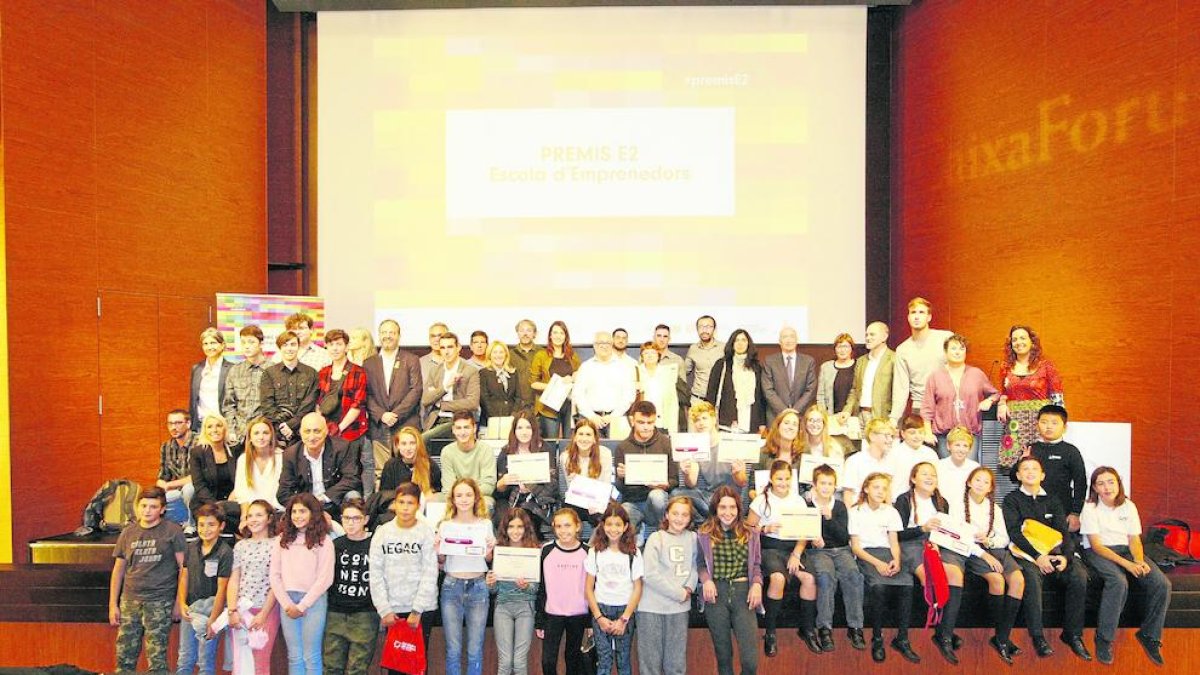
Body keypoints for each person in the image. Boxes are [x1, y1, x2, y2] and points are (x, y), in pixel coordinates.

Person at [1003, 456, 1091, 661]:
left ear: (1042, 475)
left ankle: (1073, 634)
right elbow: (1015, 533)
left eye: (1035, 469)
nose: (1030, 472)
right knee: (1031, 579)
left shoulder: (1053, 499)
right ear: (1018, 475)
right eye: (1025, 469)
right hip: (1027, 554)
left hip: (1056, 552)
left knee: (1079, 575)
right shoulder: (1011, 500)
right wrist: (1038, 557)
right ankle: (1038, 636)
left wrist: (1066, 558)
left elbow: (1064, 532)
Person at [1080, 467, 1170, 666]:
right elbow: (1096, 545)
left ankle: (1150, 635)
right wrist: (1127, 565)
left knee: (1162, 584)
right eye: (1101, 483)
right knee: (1118, 582)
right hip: (1099, 551)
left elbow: (1134, 539)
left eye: (1111, 482)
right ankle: (1104, 639)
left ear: (1118, 484)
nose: (1107, 487)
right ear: (1094, 487)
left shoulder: (1128, 506)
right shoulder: (1089, 508)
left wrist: (1138, 560)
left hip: (1127, 550)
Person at [945, 467, 1024, 665]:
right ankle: (1001, 637)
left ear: (990, 488)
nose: (981, 484)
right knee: (997, 580)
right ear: (969, 482)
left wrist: (988, 539)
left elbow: (1003, 538)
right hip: (970, 551)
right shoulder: (957, 505)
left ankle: (1002, 637)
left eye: (986, 482)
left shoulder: (994, 508)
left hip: (993, 548)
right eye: (977, 480)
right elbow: (958, 537)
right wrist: (984, 553)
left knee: (1018, 580)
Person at [109, 487, 187, 675]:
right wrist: (113, 604)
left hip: (160, 601)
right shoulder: (128, 532)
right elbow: (118, 570)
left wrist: (179, 602)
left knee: (157, 658)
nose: (147, 510)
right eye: (143, 505)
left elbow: (184, 569)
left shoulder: (173, 531)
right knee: (124, 656)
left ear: (162, 509)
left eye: (153, 506)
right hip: (129, 600)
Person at [746, 460, 820, 656]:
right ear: (771, 478)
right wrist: (763, 528)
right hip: (770, 547)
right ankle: (770, 632)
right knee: (778, 579)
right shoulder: (761, 500)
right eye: (779, 478)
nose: (783, 482)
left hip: (794, 547)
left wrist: (796, 553)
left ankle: (807, 629)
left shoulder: (798, 500)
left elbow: (805, 531)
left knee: (810, 579)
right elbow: (748, 527)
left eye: (787, 479)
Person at [369, 482, 439, 675]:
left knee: (417, 666)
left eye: (410, 503)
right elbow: (375, 573)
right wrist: (384, 609)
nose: (405, 507)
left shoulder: (425, 532)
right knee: (396, 666)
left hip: (421, 609)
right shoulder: (382, 532)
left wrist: (417, 610)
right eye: (401, 502)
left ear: (418, 505)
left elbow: (430, 572)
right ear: (395, 504)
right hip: (393, 610)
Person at [848, 473, 919, 664]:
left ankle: (902, 638)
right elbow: (855, 547)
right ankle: (877, 638)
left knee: (907, 584)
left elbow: (894, 542)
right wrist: (877, 564)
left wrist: (896, 560)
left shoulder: (891, 512)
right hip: (867, 555)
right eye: (876, 487)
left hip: (887, 554)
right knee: (879, 586)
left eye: (884, 488)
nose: (881, 491)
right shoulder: (856, 511)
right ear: (866, 489)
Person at [893, 462, 958, 664]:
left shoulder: (941, 502)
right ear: (913, 479)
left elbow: (945, 530)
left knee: (955, 574)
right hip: (911, 544)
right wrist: (923, 528)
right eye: (924, 474)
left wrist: (936, 540)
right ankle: (916, 633)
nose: (930, 478)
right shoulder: (903, 501)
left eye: (933, 475)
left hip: (935, 544)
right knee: (928, 575)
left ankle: (945, 631)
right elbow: (898, 534)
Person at [697, 485, 763, 675]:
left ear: (738, 509)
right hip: (716, 593)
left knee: (750, 659)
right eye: (723, 507)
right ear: (715, 509)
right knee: (723, 656)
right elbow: (700, 564)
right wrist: (706, 580)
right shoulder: (703, 533)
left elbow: (757, 564)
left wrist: (757, 584)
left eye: (732, 507)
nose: (728, 512)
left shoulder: (751, 533)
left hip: (744, 592)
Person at [436, 478, 496, 675]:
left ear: (476, 497)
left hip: (478, 586)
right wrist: (438, 550)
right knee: (453, 649)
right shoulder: (444, 525)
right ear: (452, 499)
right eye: (459, 495)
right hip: (451, 586)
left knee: (475, 649)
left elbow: (487, 559)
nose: (464, 499)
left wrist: (490, 549)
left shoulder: (485, 524)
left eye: (468, 494)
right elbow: (442, 561)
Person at [271, 492, 336, 674]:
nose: (297, 516)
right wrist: (287, 604)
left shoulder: (324, 541)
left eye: (302, 511)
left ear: (313, 513)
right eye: (294, 512)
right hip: (288, 602)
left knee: (311, 655)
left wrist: (303, 605)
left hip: (313, 603)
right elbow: (275, 576)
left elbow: (325, 578)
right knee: (294, 656)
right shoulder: (281, 540)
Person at [803, 464, 864, 653]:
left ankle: (855, 627)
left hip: (841, 549)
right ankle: (824, 628)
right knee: (825, 577)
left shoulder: (838, 507)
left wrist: (829, 518)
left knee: (854, 575)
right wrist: (811, 539)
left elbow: (843, 536)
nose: (826, 487)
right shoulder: (806, 505)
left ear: (835, 486)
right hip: (818, 552)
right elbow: (799, 530)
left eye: (830, 484)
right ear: (814, 484)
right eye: (822, 483)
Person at [637, 496, 697, 675]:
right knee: (650, 664)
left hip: (679, 609)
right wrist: (678, 593)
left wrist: (689, 588)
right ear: (666, 515)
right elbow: (649, 574)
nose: (679, 518)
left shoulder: (693, 538)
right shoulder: (656, 538)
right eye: (675, 513)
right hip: (651, 608)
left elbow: (695, 566)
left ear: (689, 518)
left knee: (676, 663)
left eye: (684, 515)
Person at [1008, 404, 1087, 533]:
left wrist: (1076, 513)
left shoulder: (1071, 451)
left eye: (1054, 423)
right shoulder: (1030, 448)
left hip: (1061, 511)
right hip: (1030, 510)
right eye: (1044, 422)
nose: (1049, 427)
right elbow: (1013, 477)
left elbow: (1081, 483)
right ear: (1037, 425)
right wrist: (1021, 461)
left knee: (1062, 549)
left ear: (1064, 427)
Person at [586, 502, 644, 675]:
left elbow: (638, 588)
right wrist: (598, 617)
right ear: (602, 525)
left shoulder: (633, 553)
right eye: (609, 524)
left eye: (618, 524)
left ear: (626, 526)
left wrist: (624, 619)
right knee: (603, 660)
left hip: (624, 611)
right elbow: (588, 588)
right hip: (601, 608)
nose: (613, 529)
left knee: (623, 659)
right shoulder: (595, 552)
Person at [920, 334, 999, 459]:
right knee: (946, 471)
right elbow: (927, 407)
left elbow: (996, 393)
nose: (958, 352)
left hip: (970, 434)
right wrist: (928, 432)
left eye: (962, 349)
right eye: (953, 348)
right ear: (945, 352)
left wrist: (989, 400)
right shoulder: (935, 377)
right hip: (944, 436)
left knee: (969, 472)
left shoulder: (976, 374)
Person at [175, 503, 232, 675]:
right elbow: (184, 576)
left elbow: (223, 588)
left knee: (205, 661)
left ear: (221, 526)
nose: (205, 529)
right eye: (201, 524)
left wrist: (213, 620)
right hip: (190, 610)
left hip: (211, 611)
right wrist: (182, 603)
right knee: (185, 658)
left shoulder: (225, 552)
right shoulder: (190, 547)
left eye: (211, 524)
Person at [322, 498, 377, 675]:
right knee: (331, 666)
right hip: (336, 612)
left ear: (366, 519)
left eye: (356, 518)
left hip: (365, 613)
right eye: (347, 518)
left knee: (358, 668)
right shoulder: (335, 545)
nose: (351, 523)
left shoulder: (374, 545)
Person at [226, 499, 281, 674]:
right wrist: (232, 610)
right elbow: (234, 579)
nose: (253, 519)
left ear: (269, 518)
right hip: (242, 610)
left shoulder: (277, 545)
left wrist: (264, 614)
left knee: (260, 662)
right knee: (241, 661)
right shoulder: (241, 546)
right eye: (250, 515)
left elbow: (276, 582)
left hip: (265, 610)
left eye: (259, 515)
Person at [535, 508, 591, 675]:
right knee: (548, 661)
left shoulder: (588, 552)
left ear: (577, 527)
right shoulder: (546, 550)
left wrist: (590, 622)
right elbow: (541, 587)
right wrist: (540, 620)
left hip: (579, 614)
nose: (563, 530)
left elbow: (592, 588)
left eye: (568, 525)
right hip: (553, 615)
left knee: (573, 658)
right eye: (559, 526)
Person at [997, 325, 1064, 463]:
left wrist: (1057, 424)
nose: (1018, 342)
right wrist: (1002, 404)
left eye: (1022, 338)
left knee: (1041, 463)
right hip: (1015, 423)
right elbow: (1004, 392)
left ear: (1032, 342)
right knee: (1017, 466)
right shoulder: (1005, 367)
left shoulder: (1046, 366)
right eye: (1014, 339)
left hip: (1039, 422)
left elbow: (1057, 397)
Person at [487, 507, 542, 675]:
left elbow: (536, 590)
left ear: (526, 528)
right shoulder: (499, 550)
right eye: (511, 526)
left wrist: (526, 586)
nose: (515, 531)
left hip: (525, 608)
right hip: (503, 607)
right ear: (505, 528)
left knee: (519, 662)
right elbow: (494, 591)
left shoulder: (534, 551)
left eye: (519, 526)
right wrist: (490, 583)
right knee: (505, 662)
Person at [277, 412, 363, 517]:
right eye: (307, 431)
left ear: (326, 431)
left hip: (336, 502)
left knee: (353, 496)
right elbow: (283, 493)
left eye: (317, 431)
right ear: (300, 433)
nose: (312, 437)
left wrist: (324, 498)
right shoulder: (291, 454)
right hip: (306, 508)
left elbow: (352, 478)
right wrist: (305, 506)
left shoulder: (343, 448)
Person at [674, 402, 748, 522]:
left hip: (731, 496)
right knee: (676, 494)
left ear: (714, 419)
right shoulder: (695, 446)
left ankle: (711, 520)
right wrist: (686, 472)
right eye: (697, 420)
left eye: (704, 418)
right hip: (709, 498)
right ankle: (707, 521)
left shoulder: (729, 441)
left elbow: (742, 481)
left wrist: (737, 472)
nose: (701, 423)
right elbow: (691, 483)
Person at [319, 329, 372, 496]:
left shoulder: (358, 371)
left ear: (346, 346)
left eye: (339, 344)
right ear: (326, 347)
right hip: (327, 431)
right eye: (331, 344)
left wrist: (340, 427)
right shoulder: (323, 372)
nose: (335, 348)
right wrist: (324, 427)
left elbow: (358, 404)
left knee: (354, 471)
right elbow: (318, 403)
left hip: (351, 430)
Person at [615, 401, 677, 539]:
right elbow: (620, 488)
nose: (646, 427)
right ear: (632, 421)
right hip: (633, 502)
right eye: (641, 422)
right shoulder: (623, 447)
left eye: (650, 423)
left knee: (657, 496)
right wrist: (620, 477)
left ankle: (663, 534)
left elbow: (674, 479)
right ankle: (636, 531)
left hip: (656, 500)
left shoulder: (666, 443)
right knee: (623, 512)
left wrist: (665, 484)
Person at [495, 409, 559, 538]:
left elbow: (553, 483)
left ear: (534, 429)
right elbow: (499, 491)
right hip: (511, 497)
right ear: (514, 430)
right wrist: (502, 483)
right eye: (520, 428)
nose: (524, 432)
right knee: (502, 516)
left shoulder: (545, 449)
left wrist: (531, 489)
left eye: (528, 427)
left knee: (527, 514)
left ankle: (532, 546)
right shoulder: (506, 451)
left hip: (539, 498)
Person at [890, 297, 954, 423]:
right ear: (908, 317)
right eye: (913, 312)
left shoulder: (945, 338)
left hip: (946, 404)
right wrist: (894, 419)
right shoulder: (902, 350)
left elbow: (958, 370)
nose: (917, 317)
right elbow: (901, 388)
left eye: (921, 312)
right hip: (919, 407)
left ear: (929, 317)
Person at [363, 319, 423, 443]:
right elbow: (366, 394)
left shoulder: (411, 359)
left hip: (406, 425)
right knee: (382, 463)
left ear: (399, 336)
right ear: (379, 336)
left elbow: (416, 390)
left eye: (392, 332)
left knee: (407, 462)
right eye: (384, 332)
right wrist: (382, 415)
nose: (387, 336)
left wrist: (396, 414)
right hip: (379, 426)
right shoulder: (369, 363)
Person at [574, 331, 637, 438]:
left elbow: (629, 395)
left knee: (617, 452)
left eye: (607, 343)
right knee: (592, 453)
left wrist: (613, 416)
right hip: (589, 419)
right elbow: (578, 395)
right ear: (594, 345)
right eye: (600, 343)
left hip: (617, 418)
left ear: (612, 345)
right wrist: (592, 416)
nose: (604, 346)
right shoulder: (586, 367)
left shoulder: (623, 367)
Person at [261, 330, 320, 446]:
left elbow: (309, 404)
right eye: (285, 345)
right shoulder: (269, 373)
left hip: (304, 431)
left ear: (299, 347)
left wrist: (291, 425)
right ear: (279, 348)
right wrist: (282, 427)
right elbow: (267, 405)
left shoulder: (311, 373)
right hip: (277, 433)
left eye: (293, 344)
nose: (289, 349)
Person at [559, 418, 614, 537]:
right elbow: (571, 490)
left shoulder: (605, 454)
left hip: (598, 500)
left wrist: (597, 503)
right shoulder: (565, 457)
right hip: (577, 501)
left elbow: (606, 484)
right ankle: (574, 546)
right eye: (581, 434)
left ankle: (593, 547)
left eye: (588, 434)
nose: (584, 438)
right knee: (568, 513)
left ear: (594, 439)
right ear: (574, 437)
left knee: (602, 515)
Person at [420, 332, 481, 440]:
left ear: (458, 348)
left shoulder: (470, 371)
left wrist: (442, 405)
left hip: (459, 420)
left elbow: (472, 403)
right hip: (436, 419)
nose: (446, 352)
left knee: (420, 441)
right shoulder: (435, 371)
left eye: (450, 347)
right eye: (443, 348)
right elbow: (426, 400)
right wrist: (445, 386)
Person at [375, 426, 442, 524]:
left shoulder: (430, 465)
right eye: (404, 444)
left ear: (418, 444)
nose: (408, 448)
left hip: (423, 512)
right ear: (397, 446)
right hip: (397, 511)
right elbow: (385, 496)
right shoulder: (391, 465)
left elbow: (437, 492)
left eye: (412, 443)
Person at [705, 328, 765, 433]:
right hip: (726, 422)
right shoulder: (722, 364)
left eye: (743, 340)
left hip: (751, 420)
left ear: (748, 344)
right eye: (737, 340)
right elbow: (711, 393)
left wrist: (762, 422)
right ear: (732, 344)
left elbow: (761, 397)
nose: (740, 343)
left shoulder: (756, 367)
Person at [189, 414, 242, 530]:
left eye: (219, 425)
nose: (214, 430)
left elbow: (243, 477)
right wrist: (216, 506)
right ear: (204, 431)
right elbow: (199, 486)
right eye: (210, 427)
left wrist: (236, 491)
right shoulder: (197, 453)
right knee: (216, 519)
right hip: (205, 502)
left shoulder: (236, 449)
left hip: (232, 501)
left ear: (225, 428)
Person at [229, 417, 284, 526]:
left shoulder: (281, 457)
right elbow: (241, 492)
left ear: (271, 436)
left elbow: (281, 492)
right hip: (251, 510)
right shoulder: (243, 459)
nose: (261, 437)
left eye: (265, 433)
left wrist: (264, 514)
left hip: (275, 510)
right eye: (256, 433)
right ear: (250, 438)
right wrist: (245, 517)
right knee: (223, 509)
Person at [530, 320, 580, 438]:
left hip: (569, 405)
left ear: (566, 336)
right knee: (550, 442)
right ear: (550, 336)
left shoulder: (572, 355)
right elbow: (533, 383)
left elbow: (579, 373)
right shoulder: (541, 355)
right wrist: (555, 386)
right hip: (548, 407)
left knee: (569, 441)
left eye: (561, 333)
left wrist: (573, 378)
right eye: (555, 333)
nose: (558, 336)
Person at [437, 412, 497, 511]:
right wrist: (461, 497)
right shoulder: (447, 452)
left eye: (466, 427)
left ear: (474, 428)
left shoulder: (486, 450)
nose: (463, 432)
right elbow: (448, 486)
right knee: (431, 502)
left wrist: (468, 495)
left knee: (487, 504)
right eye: (459, 428)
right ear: (453, 430)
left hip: (480, 496)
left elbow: (488, 486)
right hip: (455, 496)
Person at [222, 325, 270, 446]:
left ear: (261, 344)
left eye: (251, 342)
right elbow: (229, 405)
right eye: (243, 342)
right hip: (239, 435)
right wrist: (231, 430)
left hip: (264, 434)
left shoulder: (272, 370)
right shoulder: (235, 370)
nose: (247, 346)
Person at [843, 321, 895, 426]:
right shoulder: (861, 361)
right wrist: (847, 410)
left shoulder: (894, 359)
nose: (868, 338)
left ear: (884, 337)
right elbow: (854, 390)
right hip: (860, 415)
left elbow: (899, 393)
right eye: (866, 335)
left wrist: (893, 418)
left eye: (872, 334)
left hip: (882, 417)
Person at [762, 325, 817, 423]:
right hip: (776, 416)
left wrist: (795, 410)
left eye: (792, 336)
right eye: (785, 337)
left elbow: (811, 389)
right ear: (779, 341)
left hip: (801, 415)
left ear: (797, 340)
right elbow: (768, 390)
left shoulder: (808, 361)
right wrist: (784, 411)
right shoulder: (769, 361)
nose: (788, 340)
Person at [840, 418, 897, 505]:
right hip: (859, 512)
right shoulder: (854, 461)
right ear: (872, 436)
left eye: (892, 436)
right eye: (886, 435)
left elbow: (888, 494)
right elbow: (848, 495)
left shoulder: (890, 462)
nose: (890, 440)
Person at [752, 409, 803, 499]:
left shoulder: (803, 456)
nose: (790, 427)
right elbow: (751, 487)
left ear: (798, 431)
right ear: (778, 426)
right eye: (786, 423)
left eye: (795, 424)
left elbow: (807, 490)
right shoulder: (763, 453)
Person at [190, 327, 233, 433]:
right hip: (201, 425)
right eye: (205, 344)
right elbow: (193, 400)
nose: (209, 347)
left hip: (222, 425)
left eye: (213, 343)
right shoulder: (197, 368)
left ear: (222, 345)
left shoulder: (232, 369)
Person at [157, 409, 196, 527]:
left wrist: (170, 485)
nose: (174, 427)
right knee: (154, 500)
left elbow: (197, 477)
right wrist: (163, 485)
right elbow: (162, 476)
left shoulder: (199, 443)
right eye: (170, 424)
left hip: (197, 489)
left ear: (188, 424)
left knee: (189, 489)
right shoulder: (166, 446)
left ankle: (191, 526)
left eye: (178, 423)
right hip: (176, 490)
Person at [636, 341, 680, 434]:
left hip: (662, 422)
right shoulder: (636, 372)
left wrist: (673, 430)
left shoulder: (667, 373)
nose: (649, 355)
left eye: (653, 352)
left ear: (658, 355)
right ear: (642, 356)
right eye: (646, 353)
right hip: (642, 422)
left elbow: (673, 402)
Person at [890, 415, 941, 494]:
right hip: (898, 499)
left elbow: (936, 479)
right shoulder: (894, 453)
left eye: (921, 432)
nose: (917, 436)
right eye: (912, 433)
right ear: (903, 434)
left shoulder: (930, 454)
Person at [684, 315, 724, 407]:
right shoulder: (693, 348)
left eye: (708, 327)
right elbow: (685, 371)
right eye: (701, 327)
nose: (704, 330)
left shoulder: (724, 348)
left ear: (714, 329)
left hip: (718, 400)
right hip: (697, 400)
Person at [479, 341, 521, 426]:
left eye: (501, 352)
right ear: (489, 355)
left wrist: (513, 415)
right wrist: (496, 419)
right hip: (491, 419)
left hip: (511, 419)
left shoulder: (513, 372)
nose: (498, 355)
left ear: (506, 354)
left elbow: (518, 397)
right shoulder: (484, 373)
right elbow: (484, 399)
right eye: (495, 352)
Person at [799, 404, 850, 474]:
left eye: (819, 421)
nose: (814, 424)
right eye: (811, 420)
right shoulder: (799, 446)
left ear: (824, 424)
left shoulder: (834, 448)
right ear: (805, 423)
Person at [935, 426, 981, 502]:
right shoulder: (938, 466)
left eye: (965, 446)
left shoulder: (975, 468)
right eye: (957, 445)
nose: (961, 450)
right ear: (948, 446)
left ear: (970, 449)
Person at [816, 332, 856, 417]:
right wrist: (824, 415)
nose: (842, 350)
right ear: (835, 349)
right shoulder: (826, 367)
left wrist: (847, 412)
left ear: (851, 348)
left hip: (853, 415)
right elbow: (820, 395)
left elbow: (856, 393)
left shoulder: (858, 366)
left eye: (845, 346)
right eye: (839, 346)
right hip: (830, 416)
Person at [509, 319, 540, 407]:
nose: (525, 334)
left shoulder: (543, 353)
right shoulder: (510, 354)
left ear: (534, 334)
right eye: (521, 330)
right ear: (517, 333)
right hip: (516, 405)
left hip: (539, 405)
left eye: (529, 330)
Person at [418, 322, 450, 388]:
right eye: (433, 336)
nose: (436, 339)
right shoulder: (419, 363)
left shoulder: (460, 362)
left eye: (440, 336)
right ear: (429, 339)